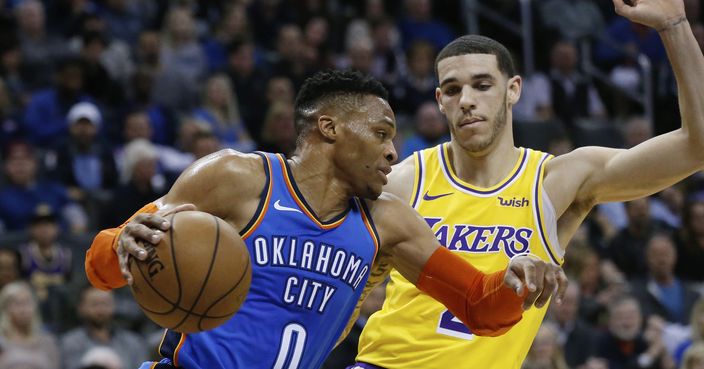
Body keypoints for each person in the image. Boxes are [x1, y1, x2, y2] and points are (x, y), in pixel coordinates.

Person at [84, 69, 565, 369]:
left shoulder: (388, 223)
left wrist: (515, 280)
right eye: (380, 133)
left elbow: (480, 307)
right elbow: (101, 268)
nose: (393, 151)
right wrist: (122, 243)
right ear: (329, 128)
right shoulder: (235, 177)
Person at [355, 0, 704, 368]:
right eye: (453, 90)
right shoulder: (406, 181)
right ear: (440, 100)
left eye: (483, 84)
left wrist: (674, 24)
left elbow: (696, 147)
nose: (468, 100)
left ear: (514, 90)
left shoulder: (558, 180)